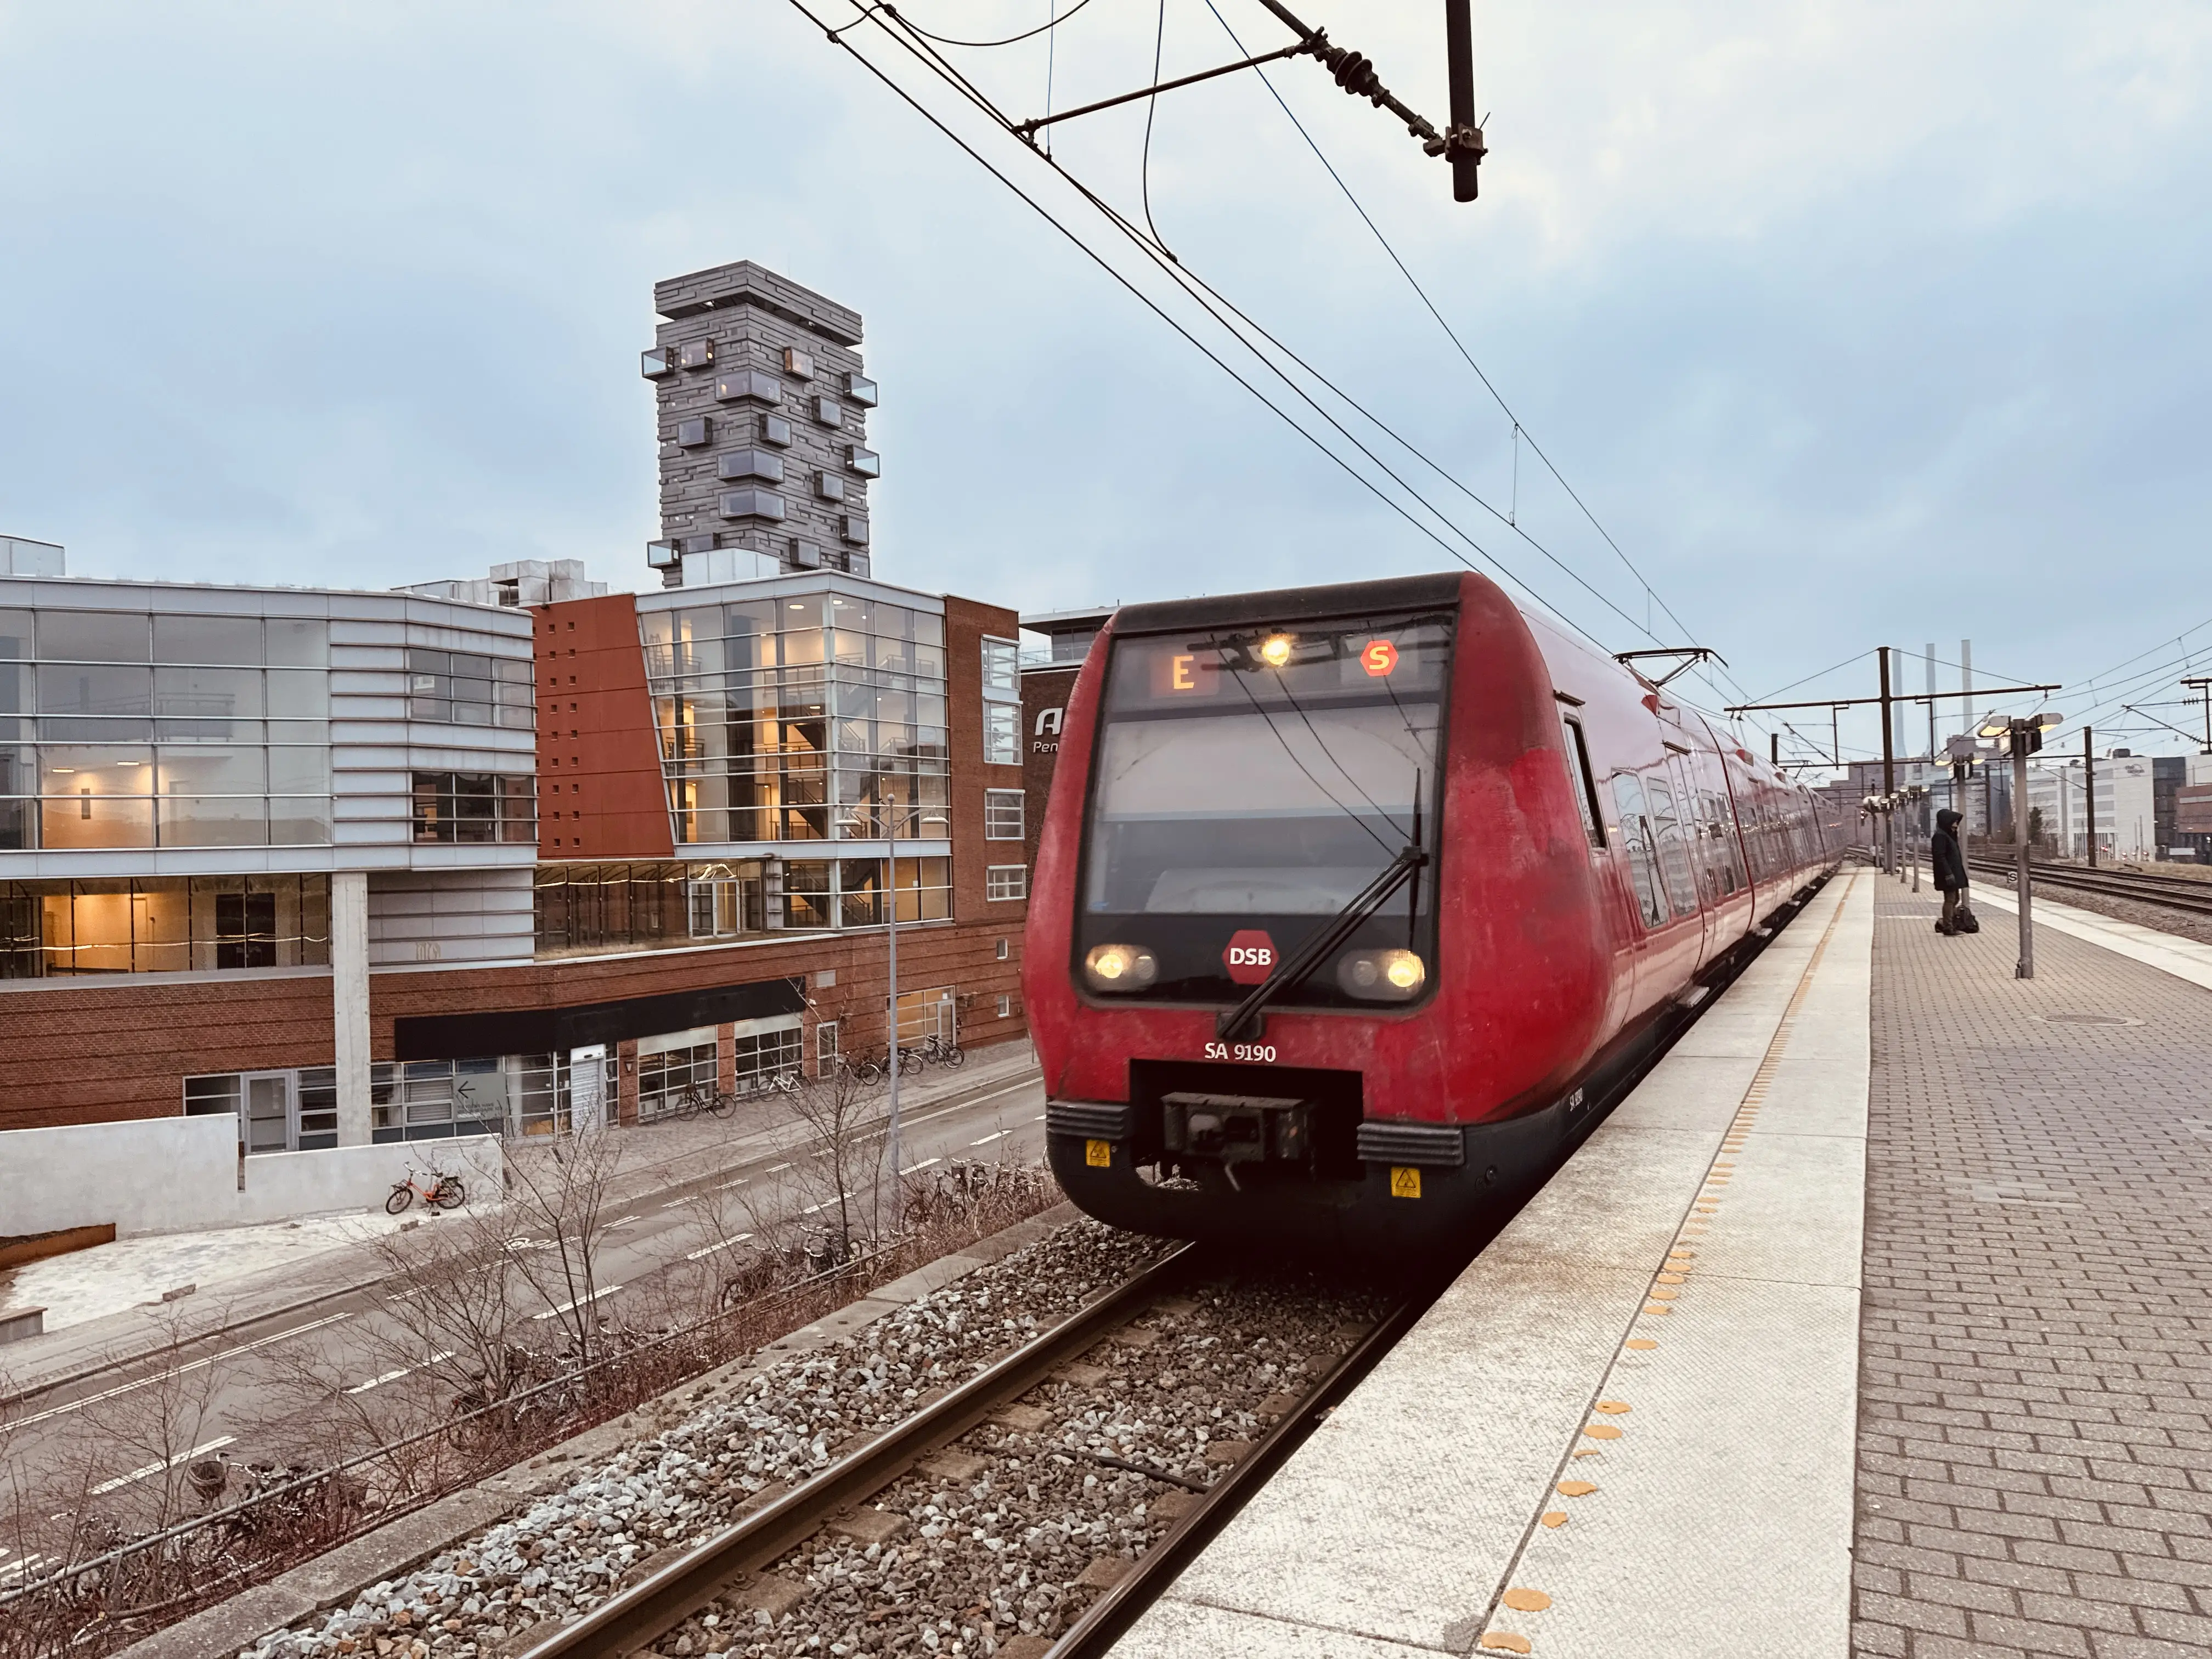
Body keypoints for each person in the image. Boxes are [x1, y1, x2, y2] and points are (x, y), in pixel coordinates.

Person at [1930, 807, 1968, 933]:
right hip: (1948, 874)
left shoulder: (1948, 835)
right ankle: (1948, 927)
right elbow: (1940, 856)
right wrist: (1948, 874)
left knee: (1955, 899)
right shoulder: (1940, 837)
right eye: (1954, 821)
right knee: (1950, 899)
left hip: (1952, 873)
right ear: (1947, 821)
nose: (1956, 824)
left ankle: (1947, 923)